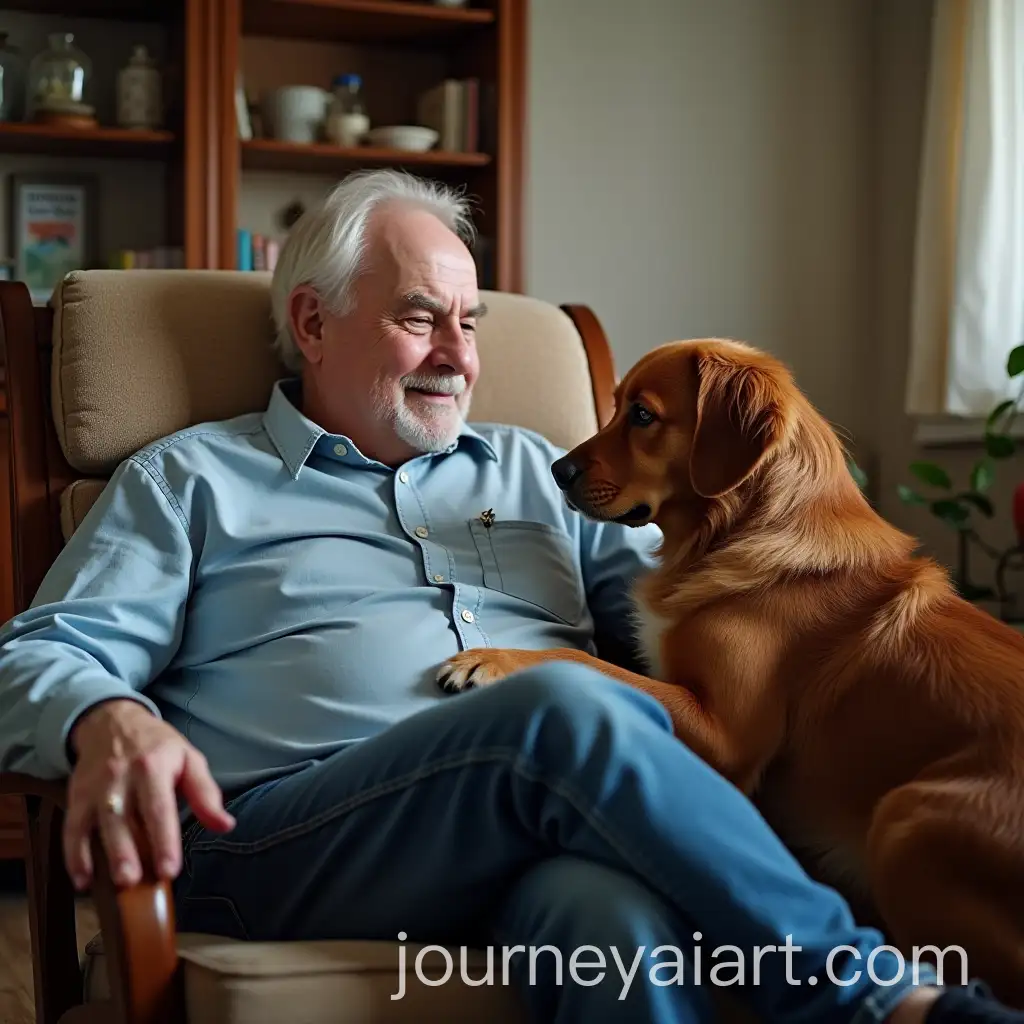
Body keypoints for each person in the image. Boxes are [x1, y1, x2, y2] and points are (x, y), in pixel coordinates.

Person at [0, 169, 1014, 1024]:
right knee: (554, 704)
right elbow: (34, 656)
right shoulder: (192, 480)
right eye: (418, 317)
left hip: (537, 829)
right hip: (285, 844)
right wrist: (108, 718)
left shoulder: (550, 473)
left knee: (612, 923)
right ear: (312, 321)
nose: (457, 353)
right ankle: (879, 1003)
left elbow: (705, 640)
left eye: (469, 321)